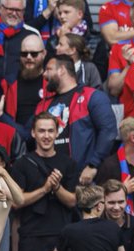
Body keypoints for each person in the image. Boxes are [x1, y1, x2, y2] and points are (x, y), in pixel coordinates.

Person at [35, 54, 119, 184]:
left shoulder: (92, 96)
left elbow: (108, 130)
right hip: (49, 178)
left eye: (48, 69)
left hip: (82, 177)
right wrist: (1, 116)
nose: (44, 74)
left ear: (61, 70)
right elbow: (28, 134)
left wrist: (93, 165)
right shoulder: (43, 104)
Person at [12, 112, 80, 251]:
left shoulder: (69, 164)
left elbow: (73, 201)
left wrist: (56, 187)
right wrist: (45, 188)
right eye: (41, 131)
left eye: (50, 131)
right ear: (33, 133)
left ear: (57, 133)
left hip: (62, 237)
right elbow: (16, 202)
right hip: (31, 237)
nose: (46, 136)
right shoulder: (21, 164)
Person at [0, 0, 41, 86]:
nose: (14, 13)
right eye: (10, 9)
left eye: (18, 10)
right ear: (0, 8)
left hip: (20, 91)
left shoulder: (32, 34)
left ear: (24, 12)